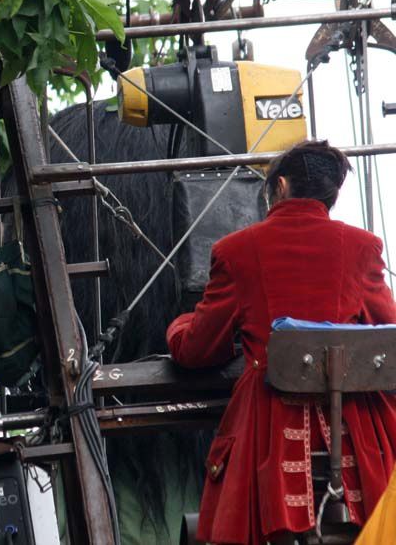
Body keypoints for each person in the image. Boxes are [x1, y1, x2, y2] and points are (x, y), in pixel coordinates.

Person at [166, 140, 396, 544]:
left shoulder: (235, 251)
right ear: (332, 194)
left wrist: (179, 325)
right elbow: (386, 334)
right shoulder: (364, 247)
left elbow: (199, 350)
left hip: (270, 432)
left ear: (283, 186)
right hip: (354, 436)